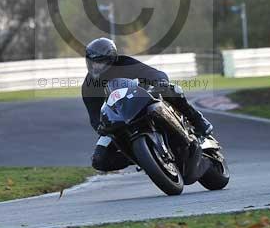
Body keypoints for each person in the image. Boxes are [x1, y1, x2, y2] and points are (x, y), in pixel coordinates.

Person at [82, 37, 213, 172]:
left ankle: (197, 120)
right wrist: (100, 126)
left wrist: (159, 81)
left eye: (100, 62)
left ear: (111, 58)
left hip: (141, 101)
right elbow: (94, 115)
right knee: (99, 160)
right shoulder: (89, 85)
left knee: (171, 89)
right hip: (119, 119)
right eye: (92, 62)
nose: (95, 66)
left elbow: (153, 73)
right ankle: (140, 158)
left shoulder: (125, 63)